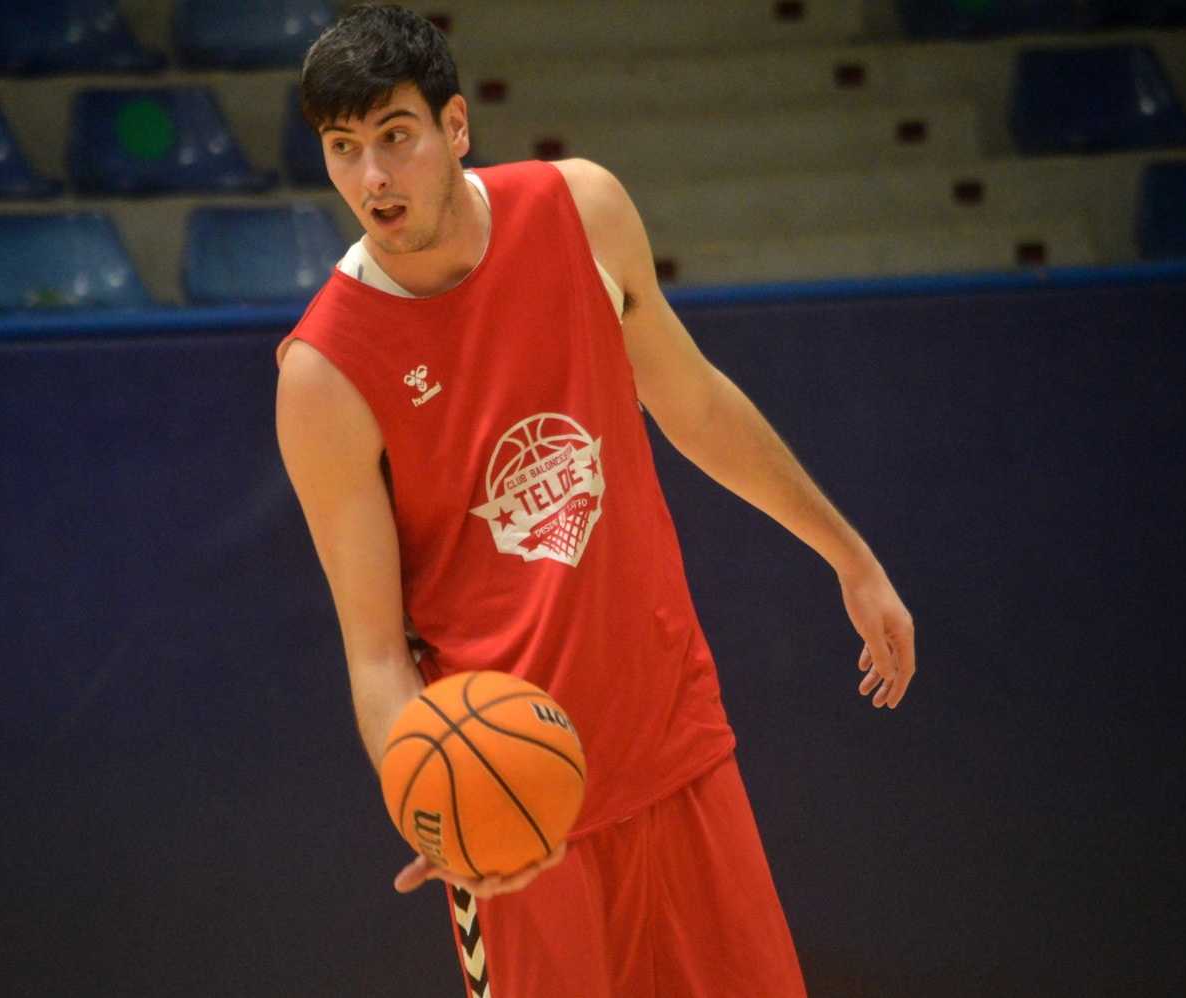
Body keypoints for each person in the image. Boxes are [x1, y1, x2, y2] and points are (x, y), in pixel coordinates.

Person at [274, 5, 916, 996]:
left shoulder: (581, 210)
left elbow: (693, 401)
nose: (372, 179)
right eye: (342, 148)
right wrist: (435, 809)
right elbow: (373, 651)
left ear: (454, 128)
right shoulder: (324, 374)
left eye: (393, 138)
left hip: (673, 742)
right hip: (514, 801)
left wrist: (848, 552)